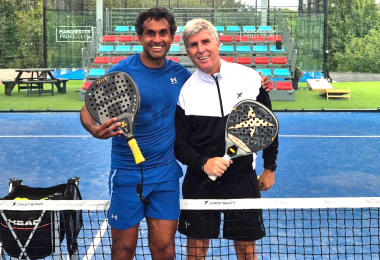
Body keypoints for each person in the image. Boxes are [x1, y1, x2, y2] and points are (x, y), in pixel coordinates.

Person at [80, 8, 271, 260]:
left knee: (164, 248)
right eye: (150, 33)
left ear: (172, 36)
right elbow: (89, 108)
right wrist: (95, 130)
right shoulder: (122, 72)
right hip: (127, 173)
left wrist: (258, 82)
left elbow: (216, 81)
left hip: (165, 175)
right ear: (139, 37)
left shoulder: (181, 76)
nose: (156, 39)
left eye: (163, 33)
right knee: (123, 249)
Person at [174, 19, 279, 260]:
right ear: (188, 51)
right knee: (197, 250)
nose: (200, 49)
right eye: (193, 45)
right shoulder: (185, 91)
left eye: (205, 41)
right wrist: (203, 163)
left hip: (242, 179)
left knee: (246, 249)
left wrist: (269, 168)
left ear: (217, 43)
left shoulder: (251, 79)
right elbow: (180, 145)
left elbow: (267, 126)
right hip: (199, 182)